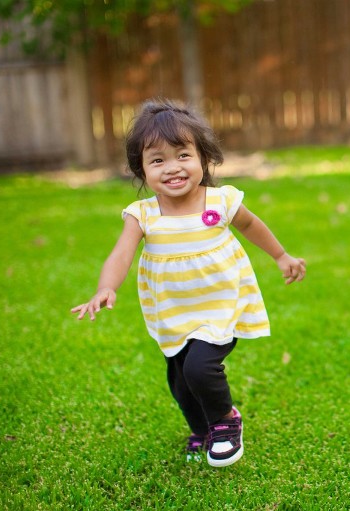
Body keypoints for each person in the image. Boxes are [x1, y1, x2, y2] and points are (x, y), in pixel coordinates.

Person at [71, 98, 306, 467]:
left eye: (183, 155)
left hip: (219, 303)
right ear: (142, 170)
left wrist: (281, 256)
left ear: (203, 158)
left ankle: (225, 422)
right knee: (181, 382)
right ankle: (202, 430)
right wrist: (106, 287)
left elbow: (250, 225)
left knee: (200, 368)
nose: (172, 168)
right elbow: (121, 253)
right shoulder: (143, 214)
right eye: (158, 160)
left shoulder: (221, 200)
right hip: (174, 310)